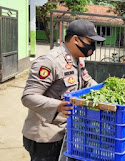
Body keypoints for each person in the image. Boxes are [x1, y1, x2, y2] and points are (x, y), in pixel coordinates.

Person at [21, 19, 105, 161]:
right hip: (45, 137)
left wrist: (103, 92)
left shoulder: (77, 59)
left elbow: (86, 80)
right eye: (90, 41)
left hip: (65, 131)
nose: (92, 46)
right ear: (75, 39)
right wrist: (58, 106)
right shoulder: (49, 61)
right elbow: (28, 97)